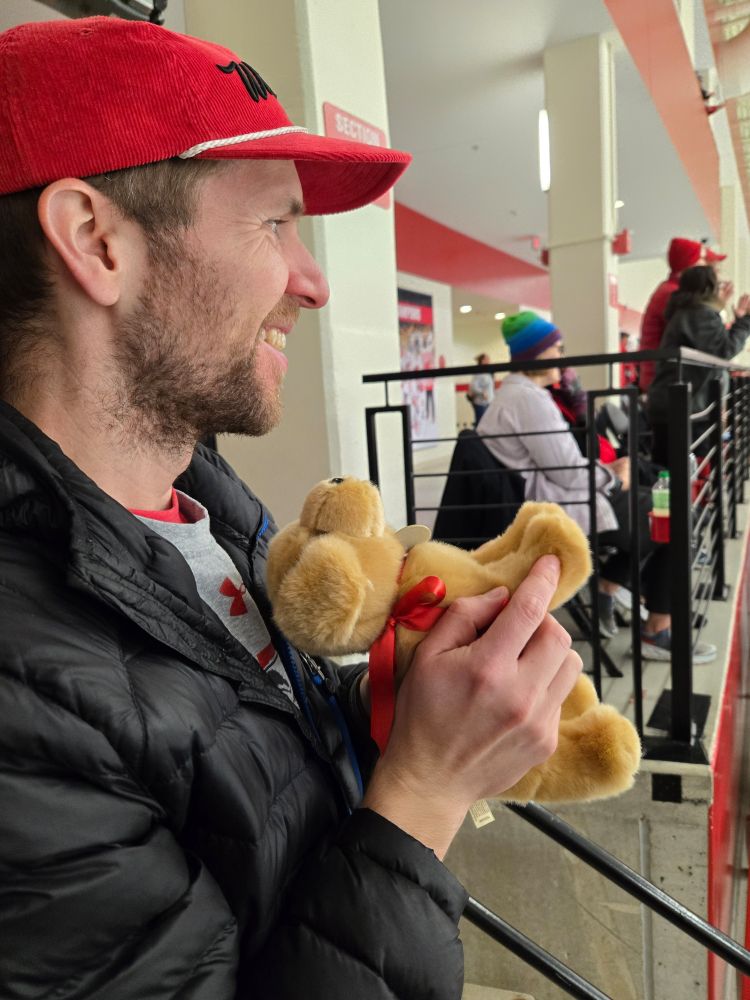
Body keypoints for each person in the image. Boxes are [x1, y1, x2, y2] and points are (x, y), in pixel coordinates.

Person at [0, 17, 584, 1000]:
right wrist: (425, 792)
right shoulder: (21, 686)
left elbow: (241, 771)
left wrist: (411, 703)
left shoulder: (210, 509)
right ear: (97, 241)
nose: (312, 281)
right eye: (273, 223)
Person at [478, 311, 716, 662]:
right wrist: (613, 474)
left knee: (660, 506)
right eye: (557, 348)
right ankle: (658, 629)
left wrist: (608, 471)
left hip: (556, 501)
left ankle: (618, 590)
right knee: (675, 518)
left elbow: (562, 467)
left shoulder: (517, 395)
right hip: (562, 508)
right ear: (539, 354)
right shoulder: (528, 399)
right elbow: (569, 474)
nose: (563, 355)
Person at [647, 265, 750, 467]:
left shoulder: (692, 313)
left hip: (681, 407)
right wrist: (746, 321)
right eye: (720, 285)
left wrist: (738, 317)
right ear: (707, 289)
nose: (726, 290)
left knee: (677, 471)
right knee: (683, 473)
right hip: (684, 409)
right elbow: (724, 349)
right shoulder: (698, 314)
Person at [638, 237, 727, 393]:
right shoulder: (674, 294)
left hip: (667, 379)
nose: (708, 266)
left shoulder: (673, 291)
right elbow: (713, 343)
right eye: (703, 259)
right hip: (665, 383)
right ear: (690, 264)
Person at [467, 352, 494, 426]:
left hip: (488, 402)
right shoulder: (479, 372)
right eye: (486, 359)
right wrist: (482, 392)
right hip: (481, 403)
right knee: (480, 424)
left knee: (487, 424)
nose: (489, 360)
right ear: (482, 361)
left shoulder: (488, 372)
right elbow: (473, 386)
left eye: (489, 359)